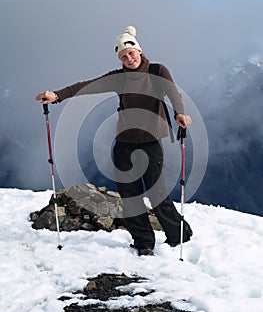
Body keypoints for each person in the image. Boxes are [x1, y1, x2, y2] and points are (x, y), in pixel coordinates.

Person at [36, 26, 192, 256]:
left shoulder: (158, 71)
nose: (128, 58)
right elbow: (87, 86)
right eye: (123, 56)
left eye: (131, 53)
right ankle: (143, 242)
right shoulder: (119, 78)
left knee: (156, 192)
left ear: (139, 50)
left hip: (150, 142)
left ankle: (179, 235)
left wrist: (180, 113)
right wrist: (57, 95)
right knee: (129, 196)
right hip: (124, 143)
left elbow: (173, 93)